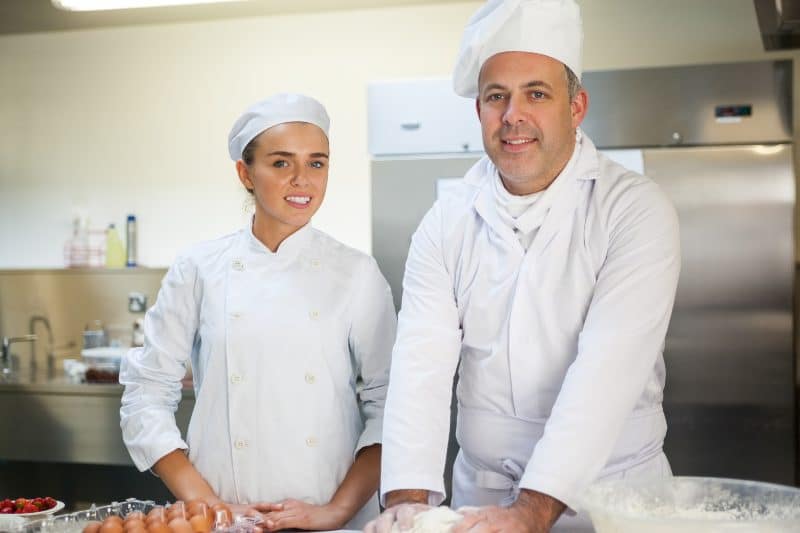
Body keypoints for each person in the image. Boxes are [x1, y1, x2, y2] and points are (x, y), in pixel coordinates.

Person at [369, 0, 680, 531]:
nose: (514, 115)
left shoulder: (632, 209)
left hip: (612, 500)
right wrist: (405, 504)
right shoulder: (445, 223)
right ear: (480, 112)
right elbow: (421, 365)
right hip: (481, 495)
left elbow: (606, 372)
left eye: (536, 93)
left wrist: (531, 512)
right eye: (497, 97)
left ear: (576, 106)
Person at [119, 93, 396, 531]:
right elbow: (146, 393)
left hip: (329, 518)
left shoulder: (356, 273)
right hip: (223, 519)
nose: (303, 180)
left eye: (317, 163)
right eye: (281, 163)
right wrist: (211, 506)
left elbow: (391, 406)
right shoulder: (199, 269)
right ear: (245, 173)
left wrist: (334, 512)